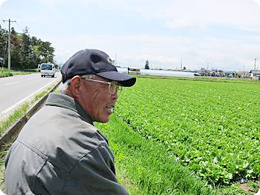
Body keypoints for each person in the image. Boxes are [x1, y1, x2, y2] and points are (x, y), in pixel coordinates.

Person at [4, 49, 136, 194]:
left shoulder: (40, 117)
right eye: (110, 86)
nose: (115, 96)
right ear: (77, 85)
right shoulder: (85, 144)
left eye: (117, 88)